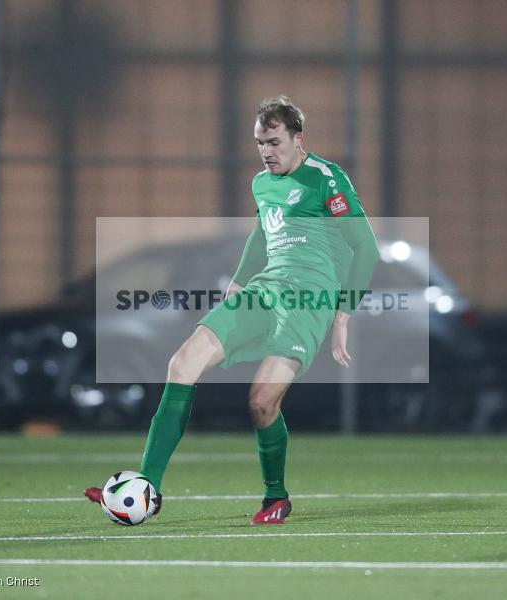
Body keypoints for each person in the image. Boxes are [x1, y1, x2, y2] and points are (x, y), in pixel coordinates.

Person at [85, 95, 379, 524]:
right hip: (264, 290)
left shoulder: (326, 180)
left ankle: (275, 497)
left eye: (274, 142)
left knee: (261, 402)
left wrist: (343, 314)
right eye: (260, 143)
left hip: (307, 301)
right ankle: (148, 487)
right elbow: (261, 237)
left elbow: (365, 248)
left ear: (299, 139)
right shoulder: (262, 183)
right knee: (182, 363)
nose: (266, 152)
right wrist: (238, 288)